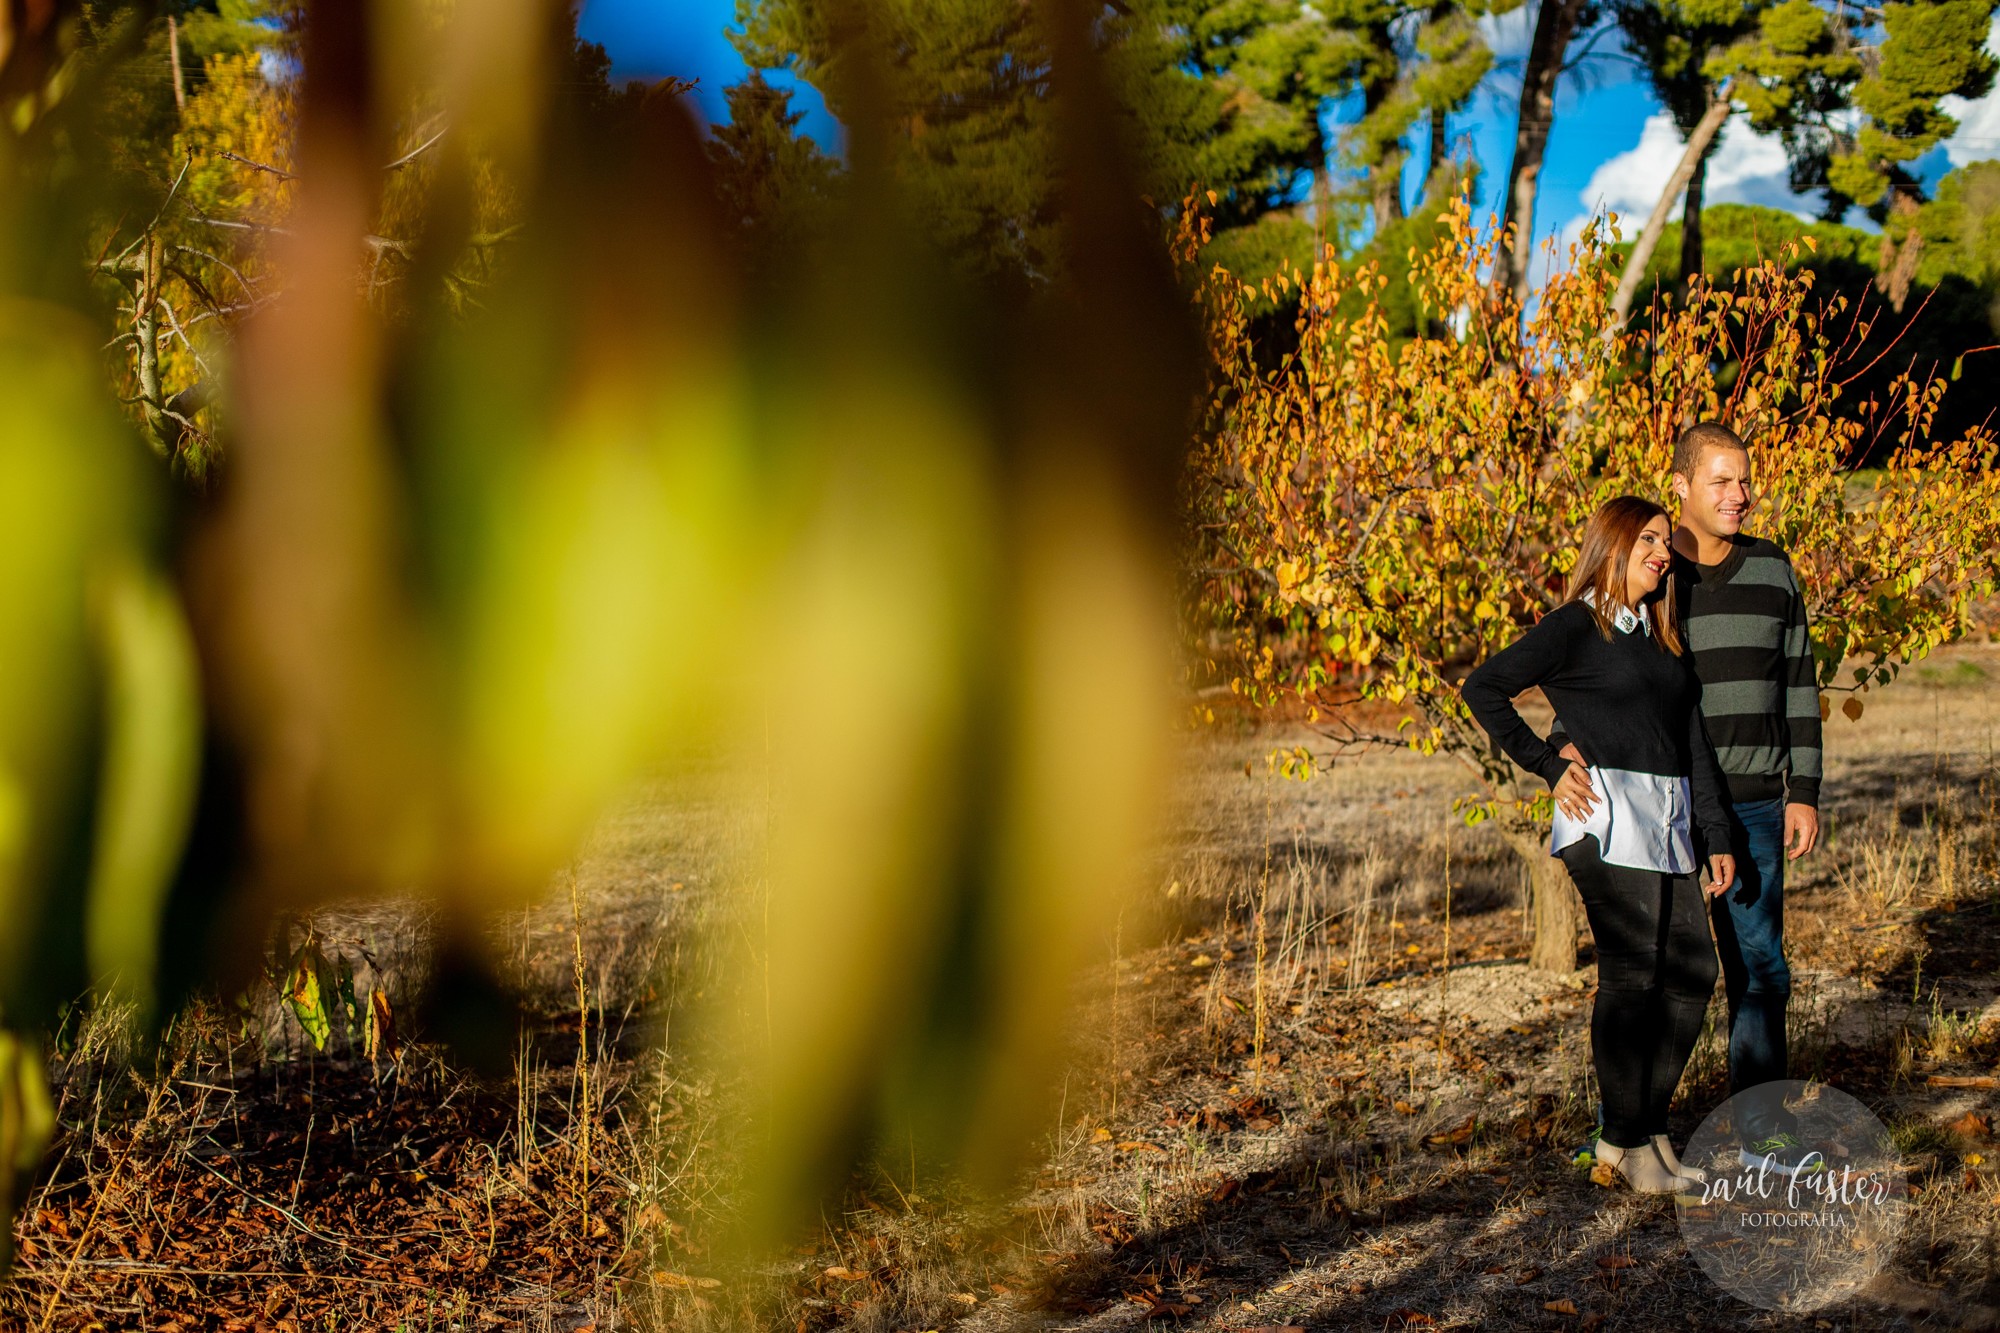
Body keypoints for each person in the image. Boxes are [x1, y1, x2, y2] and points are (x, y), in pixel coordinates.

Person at [1555, 422, 1822, 1174]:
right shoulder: (1655, 569)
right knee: (1648, 973)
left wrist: (1802, 789)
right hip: (1664, 810)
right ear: (1681, 487)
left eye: (1745, 480)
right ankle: (1626, 1132)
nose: (1740, 494)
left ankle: (1761, 1129)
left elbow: (1799, 682)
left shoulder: (1773, 570)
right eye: (1722, 481)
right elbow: (1598, 654)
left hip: (1757, 808)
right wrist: (1563, 738)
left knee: (1759, 968)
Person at [1463, 495, 1735, 1194]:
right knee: (1634, 975)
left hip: (1669, 821)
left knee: (1694, 972)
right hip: (1606, 821)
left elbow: (1691, 740)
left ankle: (1643, 1128)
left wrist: (1717, 833)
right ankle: (1625, 1140)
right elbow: (1484, 687)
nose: (1661, 551)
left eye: (1663, 542)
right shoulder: (1575, 626)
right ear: (1611, 545)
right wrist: (1550, 764)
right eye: (1646, 538)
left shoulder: (1661, 634)